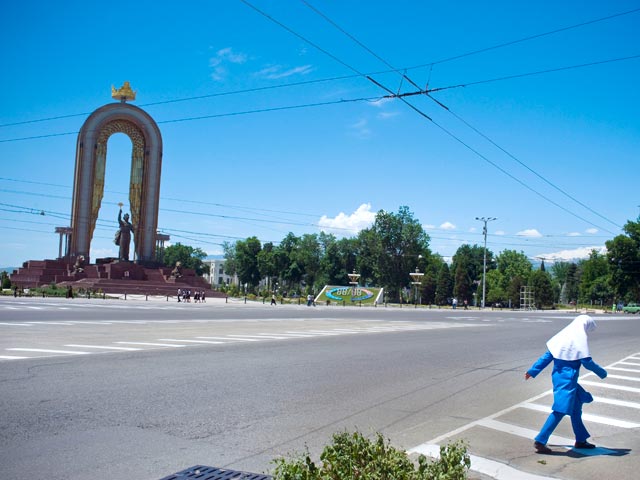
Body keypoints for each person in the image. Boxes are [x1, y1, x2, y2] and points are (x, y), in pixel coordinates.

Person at [525, 314, 607, 454]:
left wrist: (533, 371)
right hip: (567, 382)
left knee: (576, 410)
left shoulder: (562, 338)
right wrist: (602, 373)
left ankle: (581, 440)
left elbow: (546, 357)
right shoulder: (579, 341)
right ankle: (540, 440)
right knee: (560, 410)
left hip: (562, 378)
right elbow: (587, 362)